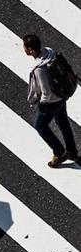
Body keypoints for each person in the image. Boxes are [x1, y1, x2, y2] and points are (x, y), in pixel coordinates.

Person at [23, 33, 78, 168]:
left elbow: (46, 92)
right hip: (62, 94)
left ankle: (59, 152)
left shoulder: (39, 69)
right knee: (63, 122)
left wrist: (42, 103)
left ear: (31, 50)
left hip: (52, 101)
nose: (23, 49)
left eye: (25, 47)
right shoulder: (49, 52)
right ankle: (72, 152)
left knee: (40, 126)